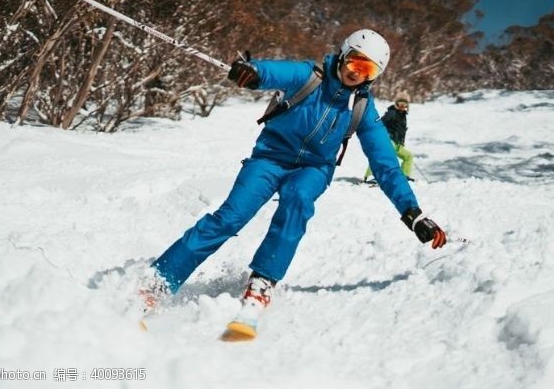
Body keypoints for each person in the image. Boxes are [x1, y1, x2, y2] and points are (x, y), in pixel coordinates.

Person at [140, 29, 447, 335]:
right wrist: (253, 72)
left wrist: (412, 211)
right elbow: (274, 72)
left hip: (313, 169)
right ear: (342, 54)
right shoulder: (308, 76)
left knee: (298, 199)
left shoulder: (363, 109)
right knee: (230, 217)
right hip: (269, 159)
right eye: (354, 62)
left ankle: (263, 280)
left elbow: (386, 164)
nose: (356, 73)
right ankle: (160, 281)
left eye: (367, 70)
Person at [363, 91, 413, 183]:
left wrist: (401, 141)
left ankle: (403, 176)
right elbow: (380, 124)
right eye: (400, 103)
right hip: (388, 140)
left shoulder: (403, 115)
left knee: (408, 156)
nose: (402, 106)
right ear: (396, 103)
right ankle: (371, 176)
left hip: (396, 143)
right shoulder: (392, 113)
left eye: (404, 103)